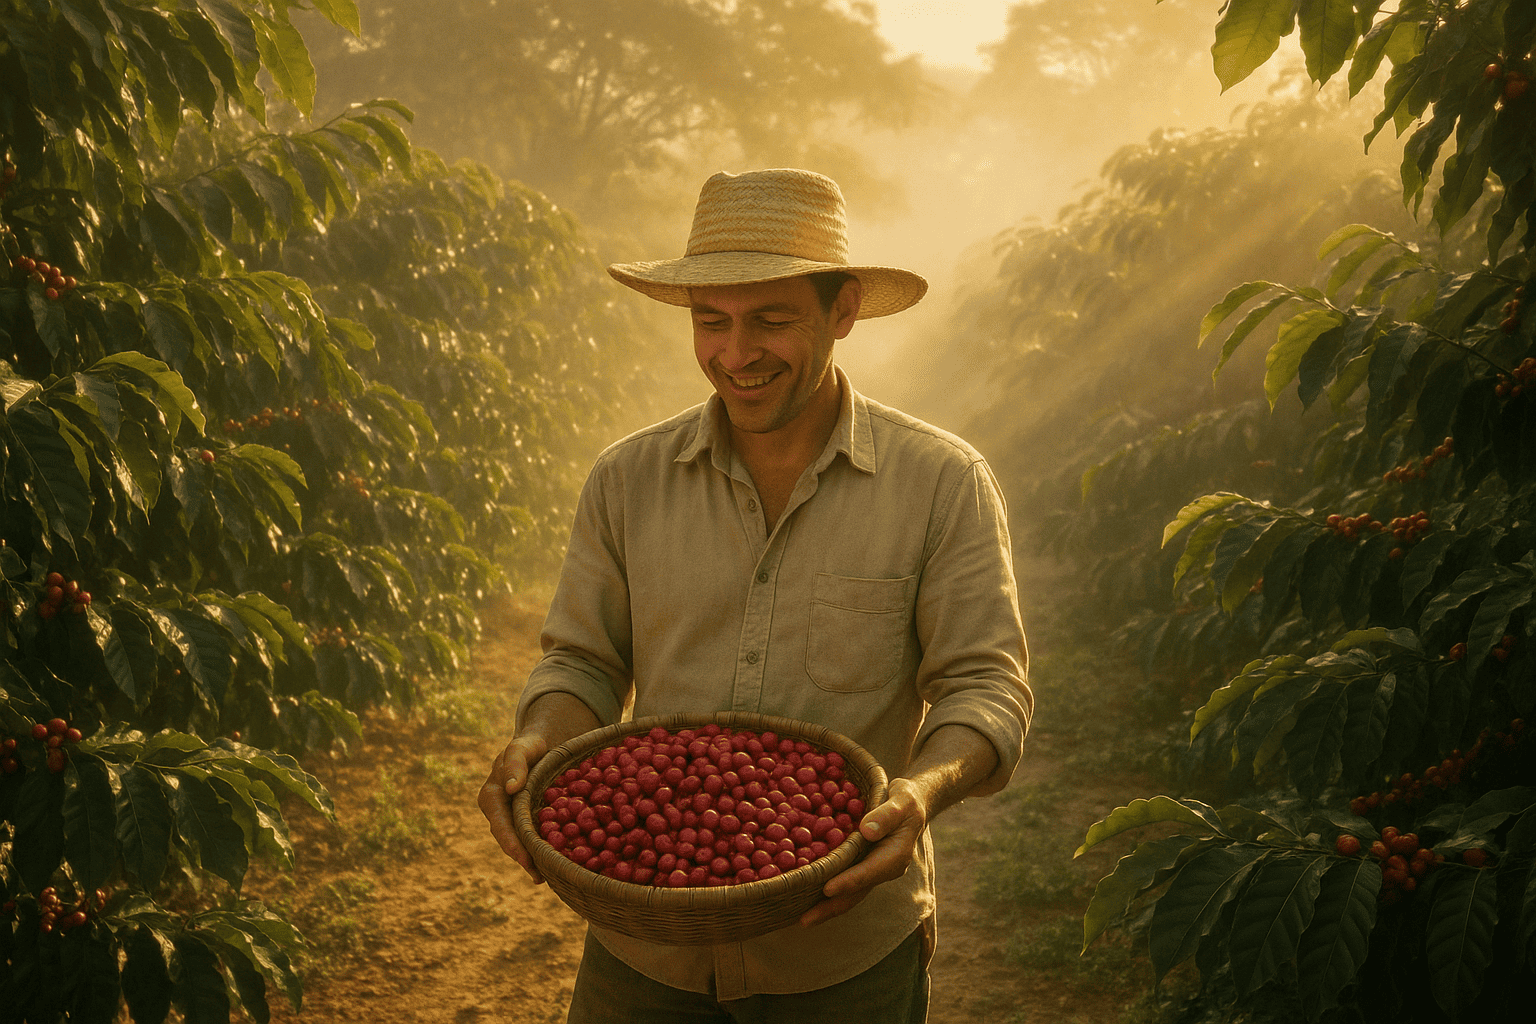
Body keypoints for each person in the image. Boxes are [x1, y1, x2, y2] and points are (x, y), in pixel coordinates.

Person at [479, 167, 1031, 1023]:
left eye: (772, 321)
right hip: (644, 951)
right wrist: (535, 742)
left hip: (844, 954)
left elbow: (984, 688)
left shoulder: (941, 484)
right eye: (712, 323)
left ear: (842, 312)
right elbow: (584, 661)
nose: (735, 355)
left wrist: (917, 795)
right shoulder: (628, 480)